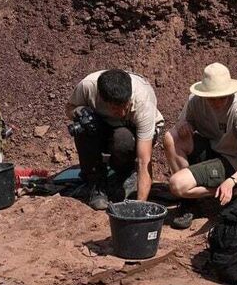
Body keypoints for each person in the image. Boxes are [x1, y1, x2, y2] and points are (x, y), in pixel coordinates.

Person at [163, 63, 237, 229]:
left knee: (176, 185)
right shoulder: (196, 101)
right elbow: (182, 122)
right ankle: (190, 202)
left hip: (232, 160)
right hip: (211, 148)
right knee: (171, 137)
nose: (217, 102)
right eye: (212, 98)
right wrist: (185, 125)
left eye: (222, 97)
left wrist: (231, 181)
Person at [66, 69, 165, 209]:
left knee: (123, 139)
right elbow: (69, 108)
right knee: (82, 126)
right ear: (101, 98)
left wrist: (139, 206)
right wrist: (80, 112)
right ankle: (95, 183)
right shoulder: (88, 87)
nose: (122, 112)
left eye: (125, 106)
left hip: (131, 131)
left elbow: (144, 160)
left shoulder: (143, 104)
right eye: (115, 108)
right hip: (102, 124)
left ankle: (126, 174)